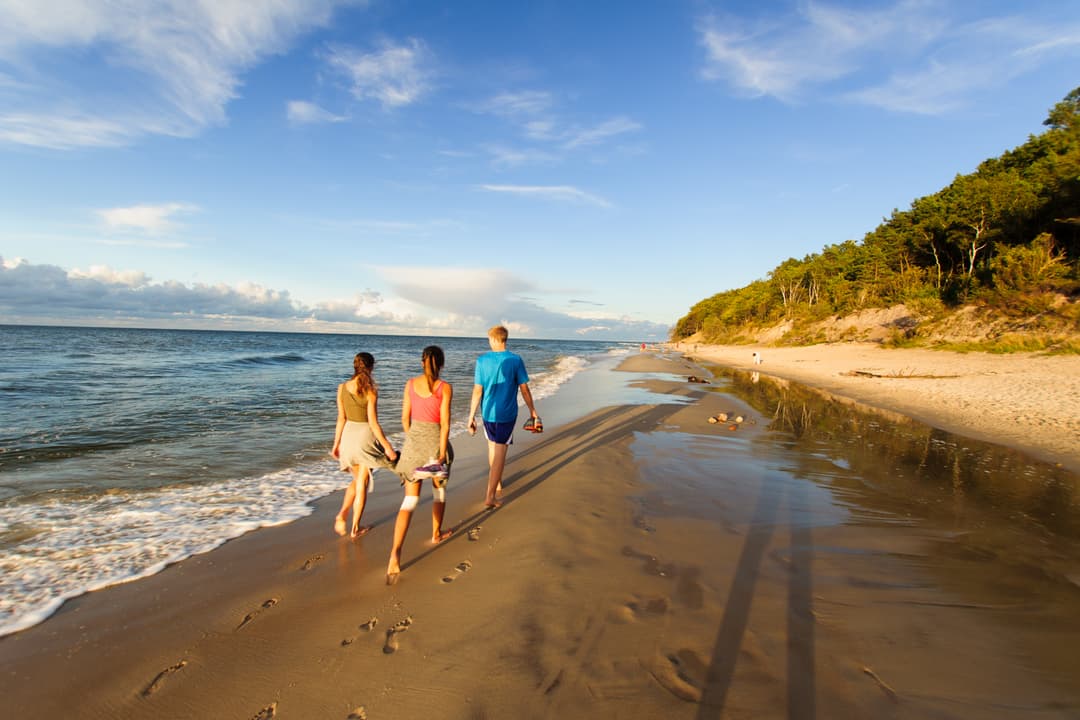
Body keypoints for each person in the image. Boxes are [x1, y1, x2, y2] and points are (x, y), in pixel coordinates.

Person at [386, 345, 454, 584]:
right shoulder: (444, 388)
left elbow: (405, 419)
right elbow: (445, 424)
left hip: (414, 448)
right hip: (436, 445)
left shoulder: (410, 384)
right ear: (441, 363)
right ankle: (436, 534)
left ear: (422, 362)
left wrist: (413, 440)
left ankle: (395, 552)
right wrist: (441, 453)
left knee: (410, 501)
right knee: (439, 494)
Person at [467, 325, 540, 509]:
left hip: (487, 412)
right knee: (500, 451)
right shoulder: (515, 360)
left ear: (493, 339)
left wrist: (471, 416)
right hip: (506, 413)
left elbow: (477, 391)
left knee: (493, 446)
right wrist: (532, 410)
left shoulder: (482, 361)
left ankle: (496, 483)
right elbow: (524, 388)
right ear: (505, 339)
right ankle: (490, 495)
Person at [331, 352, 398, 538]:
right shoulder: (370, 391)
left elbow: (341, 418)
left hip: (347, 437)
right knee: (362, 482)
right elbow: (373, 423)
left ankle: (343, 513)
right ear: (371, 367)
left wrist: (336, 444)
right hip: (364, 437)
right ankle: (355, 528)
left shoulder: (342, 388)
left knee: (357, 479)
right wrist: (388, 447)